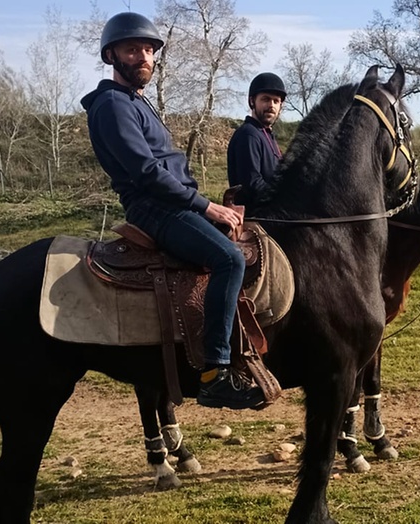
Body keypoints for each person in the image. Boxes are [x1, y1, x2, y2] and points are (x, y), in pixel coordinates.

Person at [80, 12, 264, 410]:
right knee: (229, 259)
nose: (144, 57)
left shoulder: (135, 102)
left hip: (173, 203)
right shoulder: (112, 105)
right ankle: (215, 374)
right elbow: (147, 173)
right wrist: (207, 206)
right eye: (133, 49)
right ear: (111, 56)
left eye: (149, 50)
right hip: (154, 209)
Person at [226, 72, 287, 205]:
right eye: (265, 99)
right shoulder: (249, 135)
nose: (271, 105)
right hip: (255, 212)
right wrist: (285, 202)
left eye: (276, 101)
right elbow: (252, 184)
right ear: (252, 101)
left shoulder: (267, 135)